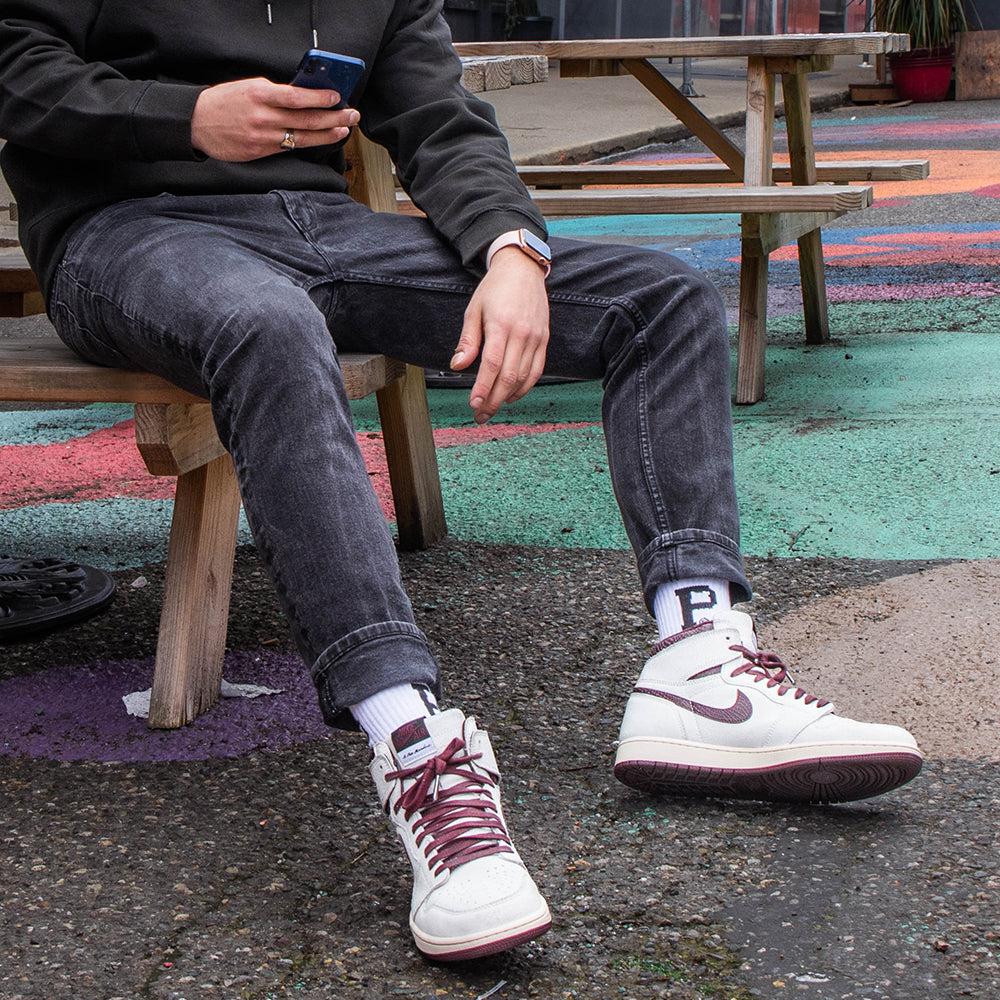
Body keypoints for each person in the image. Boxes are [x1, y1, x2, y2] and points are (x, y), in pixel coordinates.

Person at [0, 0, 922, 963]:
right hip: (126, 233)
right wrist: (181, 117)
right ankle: (415, 746)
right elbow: (18, 69)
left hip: (318, 224)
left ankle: (701, 665)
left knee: (663, 300)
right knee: (269, 329)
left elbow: (439, 118)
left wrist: (512, 249)